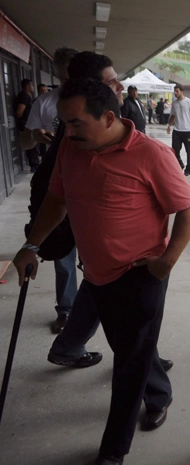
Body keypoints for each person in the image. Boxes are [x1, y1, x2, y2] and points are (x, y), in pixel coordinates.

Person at [13, 78, 190, 465]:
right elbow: (57, 200)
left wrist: (166, 262)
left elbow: (188, 209)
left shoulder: (152, 155)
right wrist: (31, 244)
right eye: (65, 123)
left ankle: (113, 451)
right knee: (130, 349)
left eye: (77, 122)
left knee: (128, 364)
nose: (68, 131)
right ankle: (160, 395)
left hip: (140, 274)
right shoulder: (71, 147)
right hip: (96, 274)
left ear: (110, 117)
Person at [20, 47, 80, 335]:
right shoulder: (44, 103)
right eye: (63, 77)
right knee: (63, 255)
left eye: (73, 76)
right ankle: (66, 310)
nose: (67, 82)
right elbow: (25, 143)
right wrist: (34, 135)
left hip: (91, 186)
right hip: (57, 182)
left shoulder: (92, 101)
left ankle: (98, 313)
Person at [166, 84, 190, 176]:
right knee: (175, 150)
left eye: (177, 91)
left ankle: (188, 169)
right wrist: (169, 126)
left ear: (182, 91)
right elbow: (173, 116)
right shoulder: (174, 103)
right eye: (174, 91)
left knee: (189, 151)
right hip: (177, 131)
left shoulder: (189, 102)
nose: (175, 93)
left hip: (187, 131)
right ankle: (180, 164)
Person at [14, 78, 42, 171]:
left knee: (34, 144)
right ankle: (34, 165)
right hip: (26, 124)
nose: (33, 87)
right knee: (32, 144)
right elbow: (19, 113)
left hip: (28, 124)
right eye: (32, 85)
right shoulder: (24, 97)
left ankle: (35, 163)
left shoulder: (27, 96)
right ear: (27, 86)